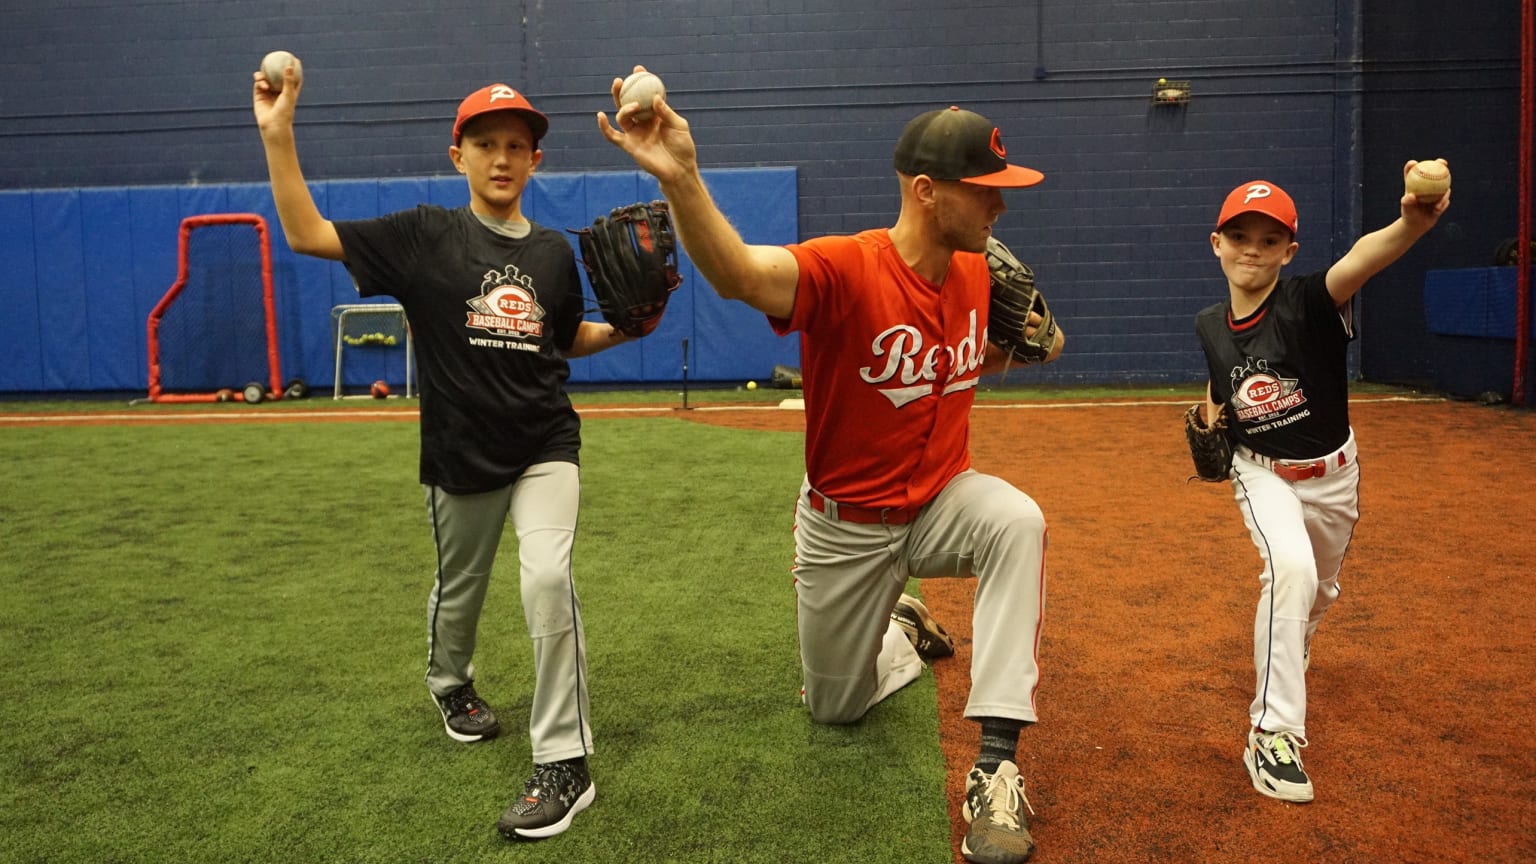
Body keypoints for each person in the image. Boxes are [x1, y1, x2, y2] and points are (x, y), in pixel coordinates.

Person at [599, 68, 1064, 864]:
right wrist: (681, 177)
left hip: (943, 498)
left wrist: (1035, 346)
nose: (1000, 203)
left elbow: (988, 358)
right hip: (846, 525)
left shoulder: (979, 272)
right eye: (985, 188)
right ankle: (898, 626)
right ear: (926, 190)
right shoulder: (845, 268)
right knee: (834, 710)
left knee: (1018, 519)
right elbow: (741, 274)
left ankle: (997, 766)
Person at [253, 69, 645, 841]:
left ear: (536, 162)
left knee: (547, 575)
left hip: (545, 444)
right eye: (485, 144)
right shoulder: (422, 236)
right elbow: (305, 233)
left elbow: (566, 341)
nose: (502, 157)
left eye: (517, 146)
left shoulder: (553, 256)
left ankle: (563, 762)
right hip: (462, 454)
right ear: (456, 154)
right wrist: (278, 134)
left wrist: (632, 326)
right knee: (459, 591)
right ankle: (450, 682)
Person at [1192, 171, 1449, 803]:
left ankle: (1297, 637)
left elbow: (1362, 258)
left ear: (1289, 252)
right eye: (1240, 235)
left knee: (1320, 588)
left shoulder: (1309, 299)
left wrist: (1413, 223)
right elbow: (1224, 386)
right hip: (1262, 471)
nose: (1252, 248)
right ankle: (1272, 734)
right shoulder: (1209, 325)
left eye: (1269, 238)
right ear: (1216, 244)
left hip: (1335, 473)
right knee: (1291, 571)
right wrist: (1209, 420)